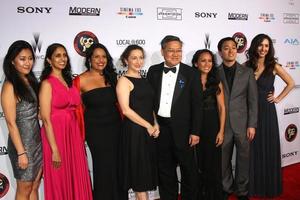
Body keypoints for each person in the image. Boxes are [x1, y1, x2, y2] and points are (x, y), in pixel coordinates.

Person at [147, 35, 203, 200]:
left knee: (188, 170)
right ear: (163, 51)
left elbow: (197, 105)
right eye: (171, 50)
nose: (175, 54)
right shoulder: (153, 71)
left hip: (184, 131)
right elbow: (149, 101)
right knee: (165, 169)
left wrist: (195, 131)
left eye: (178, 50)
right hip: (161, 129)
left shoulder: (191, 73)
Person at [39, 43, 92, 200]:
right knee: (59, 177)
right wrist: (54, 149)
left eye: (64, 55)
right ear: (49, 60)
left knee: (76, 173)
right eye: (57, 55)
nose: (62, 59)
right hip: (55, 136)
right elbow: (46, 119)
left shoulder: (69, 81)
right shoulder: (47, 83)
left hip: (72, 133)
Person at [73, 43, 126, 200]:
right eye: (96, 56)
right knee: (102, 168)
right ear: (89, 59)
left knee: (118, 167)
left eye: (103, 56)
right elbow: (76, 109)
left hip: (117, 128)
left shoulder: (113, 77)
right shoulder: (80, 81)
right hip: (95, 132)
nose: (100, 60)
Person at [245, 33, 294, 198]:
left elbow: (291, 83)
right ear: (254, 46)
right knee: (253, 149)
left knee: (268, 147)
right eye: (260, 45)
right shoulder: (246, 65)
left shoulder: (274, 66)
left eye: (266, 46)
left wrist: (278, 98)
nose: (263, 48)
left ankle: (269, 186)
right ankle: (254, 186)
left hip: (267, 111)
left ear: (269, 48)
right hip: (251, 112)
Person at [116, 44, 159, 200]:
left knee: (146, 173)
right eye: (134, 58)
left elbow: (151, 106)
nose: (138, 61)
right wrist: (148, 125)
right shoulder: (123, 81)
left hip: (149, 130)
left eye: (141, 57)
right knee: (140, 176)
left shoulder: (145, 79)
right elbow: (126, 110)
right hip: (135, 131)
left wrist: (156, 124)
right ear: (126, 60)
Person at [217, 37, 258, 200]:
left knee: (243, 159)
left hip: (243, 125)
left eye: (234, 47)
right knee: (222, 161)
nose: (231, 51)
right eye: (226, 48)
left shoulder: (247, 72)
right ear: (220, 52)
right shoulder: (214, 72)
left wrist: (252, 124)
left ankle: (242, 191)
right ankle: (226, 188)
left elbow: (253, 101)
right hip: (222, 125)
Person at [1, 40, 42, 200]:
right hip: (22, 146)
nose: (28, 63)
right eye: (22, 59)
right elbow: (10, 123)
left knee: (35, 186)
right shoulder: (10, 86)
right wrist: (21, 153)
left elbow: (33, 113)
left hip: (36, 142)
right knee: (24, 189)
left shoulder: (30, 80)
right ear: (12, 61)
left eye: (30, 58)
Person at [192, 49, 225, 200]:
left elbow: (222, 108)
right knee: (198, 163)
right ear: (195, 63)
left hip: (212, 126)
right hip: (194, 127)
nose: (207, 64)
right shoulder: (189, 81)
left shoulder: (216, 81)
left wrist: (221, 131)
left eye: (210, 60)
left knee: (212, 163)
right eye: (203, 60)